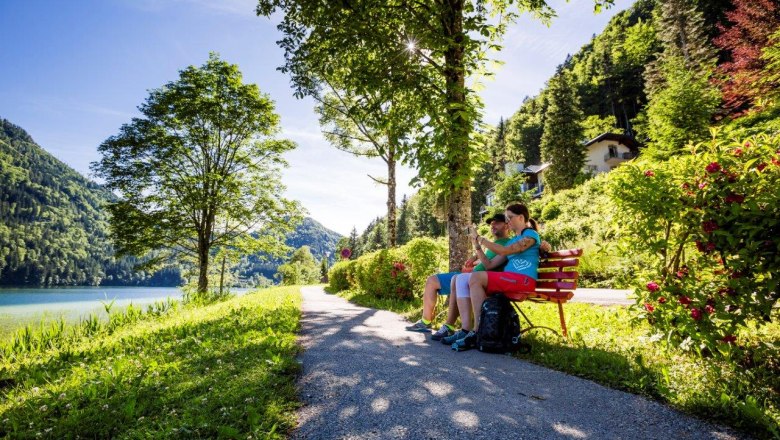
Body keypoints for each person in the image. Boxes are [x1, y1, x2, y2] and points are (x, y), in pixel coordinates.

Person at [405, 213, 513, 340]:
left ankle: (450, 327)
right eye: (491, 223)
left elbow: (491, 263)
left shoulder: (508, 244)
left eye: (497, 223)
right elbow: (487, 258)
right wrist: (474, 258)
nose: (493, 225)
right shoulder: (495, 243)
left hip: (480, 279)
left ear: (507, 226)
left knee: (451, 280)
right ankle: (428, 322)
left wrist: (477, 246)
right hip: (472, 275)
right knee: (433, 280)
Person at [451, 203, 542, 351]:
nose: (508, 221)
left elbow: (505, 251)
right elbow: (489, 265)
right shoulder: (512, 240)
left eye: (510, 217)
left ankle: (477, 332)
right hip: (511, 278)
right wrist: (477, 245)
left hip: (523, 280)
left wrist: (480, 238)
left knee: (475, 278)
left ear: (521, 217)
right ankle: (478, 330)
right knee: (470, 278)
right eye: (506, 218)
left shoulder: (530, 234)